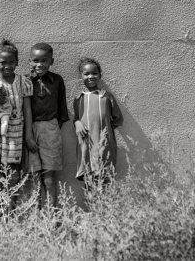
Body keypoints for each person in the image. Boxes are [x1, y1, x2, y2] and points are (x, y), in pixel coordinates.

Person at [0, 38, 33, 213]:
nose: (7, 66)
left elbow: (28, 111)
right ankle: (2, 213)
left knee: (14, 174)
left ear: (17, 62)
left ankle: (11, 212)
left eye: (12, 62)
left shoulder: (24, 82)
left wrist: (29, 135)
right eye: (3, 62)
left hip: (15, 133)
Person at [25, 42, 69, 208]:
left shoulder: (57, 80)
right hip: (30, 130)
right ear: (30, 61)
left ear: (52, 61)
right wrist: (28, 134)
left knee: (49, 179)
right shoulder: (26, 81)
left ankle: (52, 220)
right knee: (35, 179)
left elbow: (62, 110)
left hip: (51, 130)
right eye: (35, 60)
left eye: (44, 60)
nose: (40, 64)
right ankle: (37, 221)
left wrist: (52, 128)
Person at [73, 57, 124, 188]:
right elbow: (76, 117)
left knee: (104, 175)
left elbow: (118, 119)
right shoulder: (78, 98)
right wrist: (77, 122)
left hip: (104, 143)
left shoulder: (106, 96)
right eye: (86, 74)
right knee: (88, 177)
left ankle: (105, 207)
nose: (91, 76)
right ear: (81, 76)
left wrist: (105, 130)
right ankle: (91, 207)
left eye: (94, 73)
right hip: (85, 144)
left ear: (100, 75)